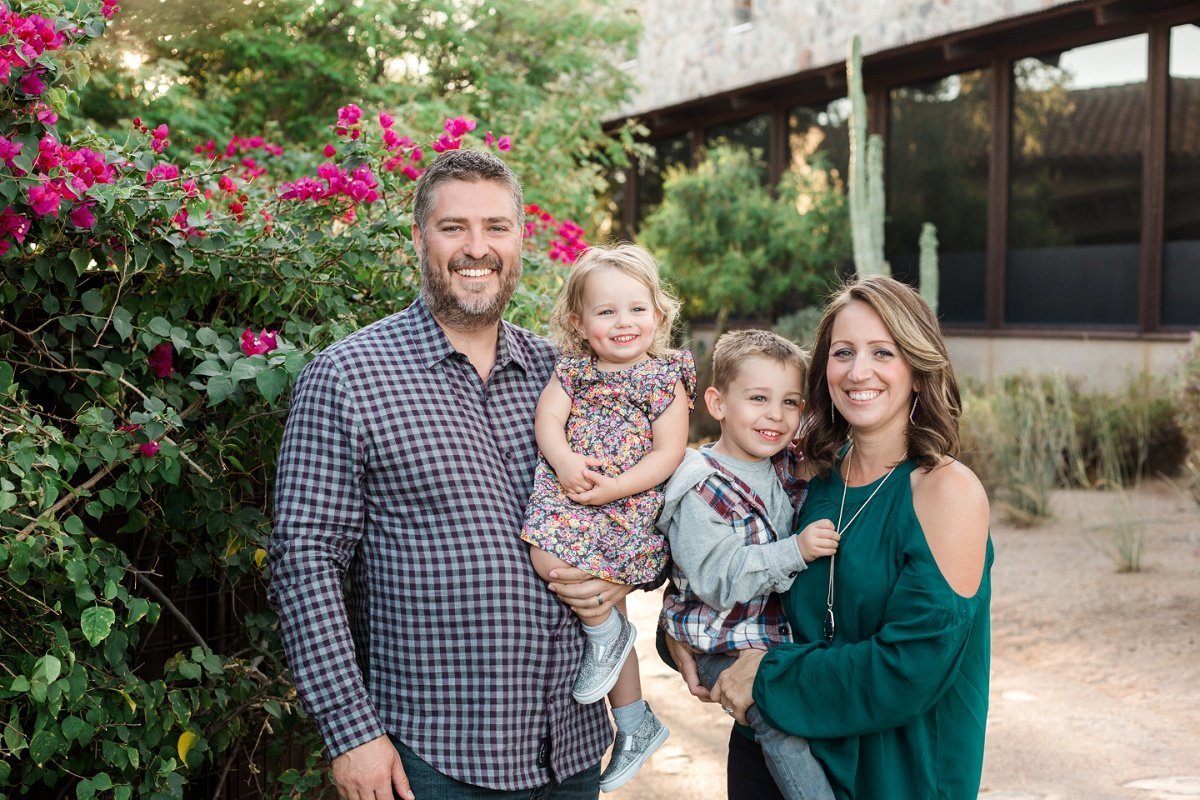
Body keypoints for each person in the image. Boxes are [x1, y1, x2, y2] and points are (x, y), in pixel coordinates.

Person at [269, 149, 626, 800]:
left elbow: (634, 502)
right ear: (418, 239)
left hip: (569, 751)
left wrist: (623, 576)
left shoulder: (566, 375)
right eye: (453, 227)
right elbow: (305, 563)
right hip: (433, 760)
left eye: (496, 227)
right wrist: (351, 733)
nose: (477, 248)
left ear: (520, 241)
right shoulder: (349, 377)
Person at [674, 275, 993, 800]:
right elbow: (722, 567)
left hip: (890, 777)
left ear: (917, 370)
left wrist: (767, 674)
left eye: (883, 352)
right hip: (774, 759)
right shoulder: (806, 477)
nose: (858, 371)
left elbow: (907, 671)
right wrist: (679, 637)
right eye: (843, 352)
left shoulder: (946, 492)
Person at [521, 242, 695, 792]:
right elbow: (547, 420)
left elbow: (668, 454)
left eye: (637, 309)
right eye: (607, 311)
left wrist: (613, 488)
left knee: (587, 591)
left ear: (658, 313)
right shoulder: (571, 372)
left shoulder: (665, 380)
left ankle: (609, 646)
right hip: (573, 494)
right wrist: (567, 462)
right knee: (547, 556)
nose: (624, 322)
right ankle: (634, 716)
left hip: (626, 509)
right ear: (579, 321)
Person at [657, 329, 838, 800]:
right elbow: (717, 579)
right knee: (779, 723)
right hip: (721, 641)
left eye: (790, 402)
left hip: (766, 638)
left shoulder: (781, 462)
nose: (775, 415)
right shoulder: (701, 486)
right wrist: (794, 550)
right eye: (758, 398)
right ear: (717, 403)